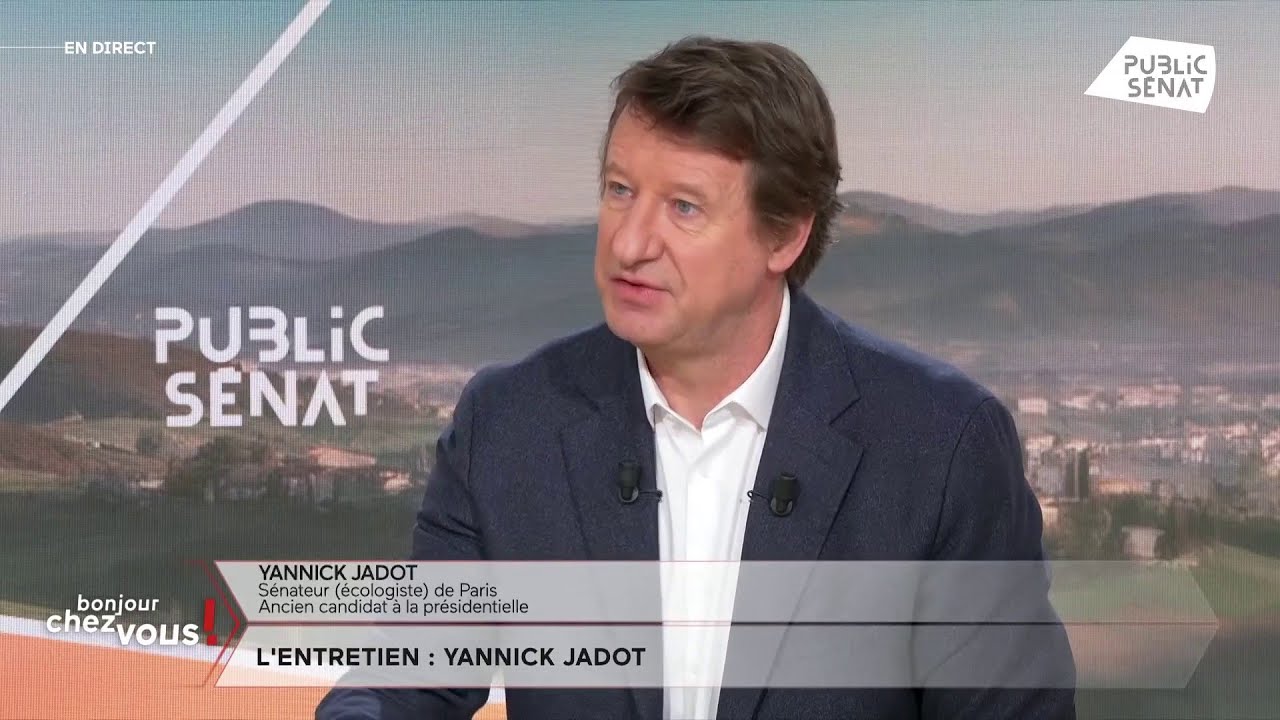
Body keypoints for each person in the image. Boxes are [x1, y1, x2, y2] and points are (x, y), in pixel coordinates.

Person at [317, 36, 1075, 719]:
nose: (630, 243)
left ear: (785, 234)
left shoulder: (939, 445)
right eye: (620, 190)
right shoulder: (510, 421)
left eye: (683, 207)